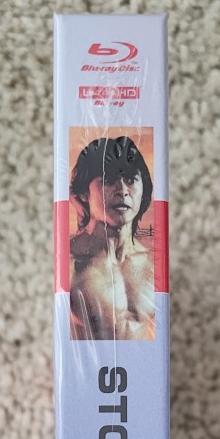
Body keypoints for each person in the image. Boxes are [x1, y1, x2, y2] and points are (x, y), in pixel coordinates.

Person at [69, 136, 155, 341]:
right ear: (84, 193)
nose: (122, 191)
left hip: (143, 361)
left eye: (131, 180)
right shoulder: (67, 263)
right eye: (108, 180)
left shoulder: (154, 264)